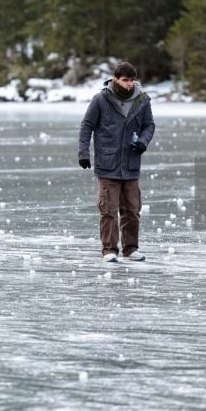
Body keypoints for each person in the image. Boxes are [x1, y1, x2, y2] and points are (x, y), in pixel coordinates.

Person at [78, 62, 156, 263]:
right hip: (108, 165)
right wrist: (83, 153)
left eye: (132, 80)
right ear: (116, 79)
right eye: (125, 80)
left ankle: (130, 249)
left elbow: (149, 125)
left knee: (132, 210)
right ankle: (109, 250)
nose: (129, 84)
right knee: (108, 211)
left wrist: (143, 142)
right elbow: (87, 126)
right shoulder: (101, 99)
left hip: (131, 165)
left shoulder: (142, 100)